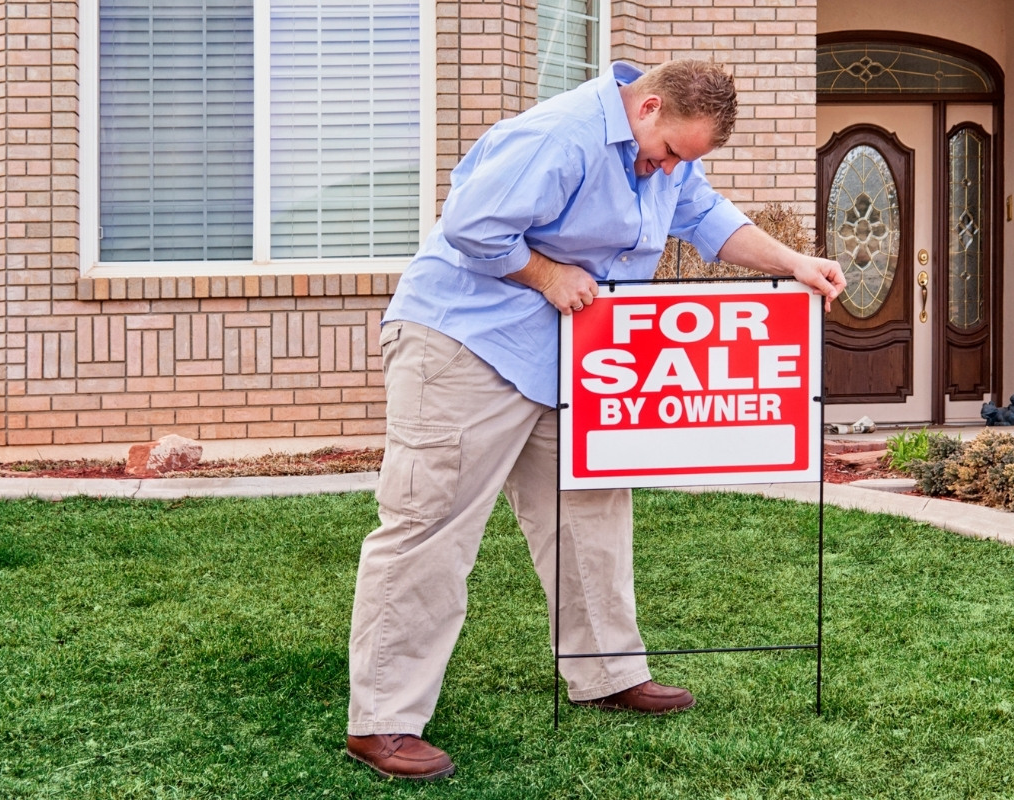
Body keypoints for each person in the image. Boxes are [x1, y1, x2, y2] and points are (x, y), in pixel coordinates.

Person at [344, 58, 846, 780]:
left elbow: (704, 218)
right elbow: (469, 224)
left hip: (561, 353)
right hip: (463, 341)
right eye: (671, 152)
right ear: (646, 110)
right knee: (431, 522)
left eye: (686, 161)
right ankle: (384, 721)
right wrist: (547, 275)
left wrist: (794, 261)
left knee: (592, 506)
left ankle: (606, 672)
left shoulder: (667, 156)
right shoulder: (561, 136)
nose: (670, 168)